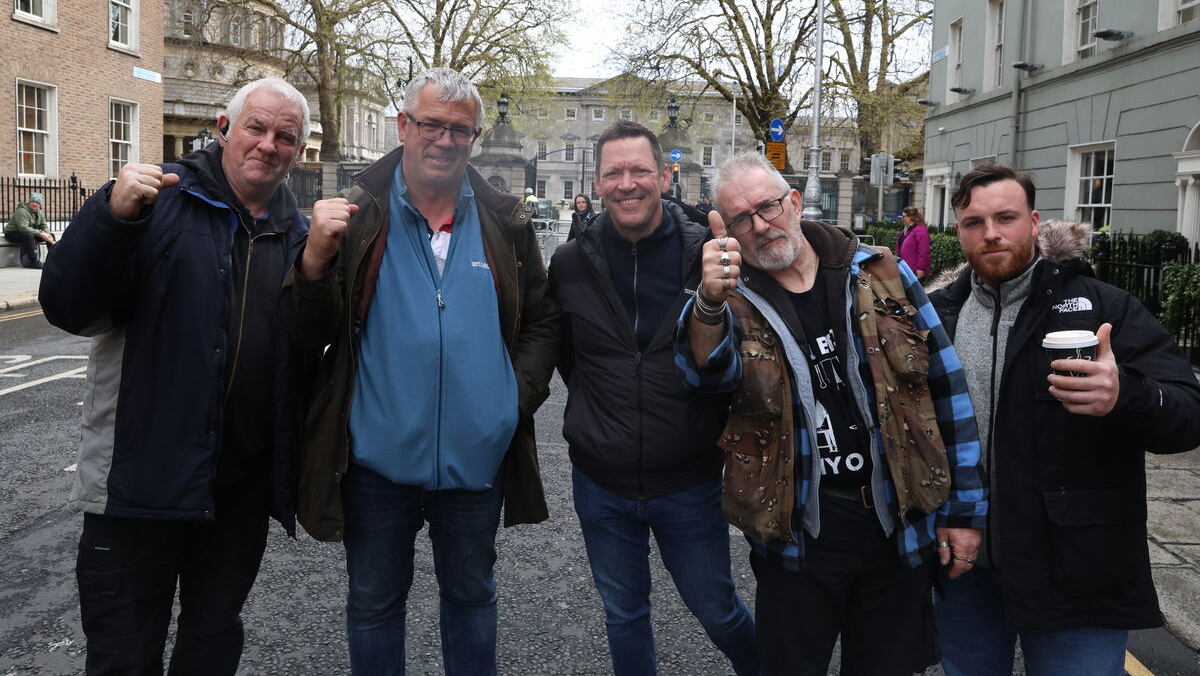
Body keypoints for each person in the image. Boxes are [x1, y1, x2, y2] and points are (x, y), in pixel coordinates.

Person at [283, 67, 558, 675]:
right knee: (376, 605)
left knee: (472, 598)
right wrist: (312, 264)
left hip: (475, 463)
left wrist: (510, 401)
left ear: (476, 138)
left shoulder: (504, 222)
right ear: (404, 126)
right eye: (431, 124)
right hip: (377, 464)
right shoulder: (356, 216)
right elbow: (309, 333)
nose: (446, 139)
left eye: (461, 130)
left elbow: (542, 321)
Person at [676, 151, 987, 676]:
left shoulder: (883, 272)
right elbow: (702, 375)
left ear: (794, 202)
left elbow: (947, 389)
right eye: (740, 220)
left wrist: (964, 512)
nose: (759, 226)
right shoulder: (731, 299)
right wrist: (709, 301)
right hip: (801, 528)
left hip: (896, 519)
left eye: (768, 207)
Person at [38, 77, 311, 674]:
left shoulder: (300, 236)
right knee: (123, 657)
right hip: (139, 485)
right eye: (256, 128)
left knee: (212, 647)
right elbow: (68, 307)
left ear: (298, 150)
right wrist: (109, 218)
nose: (268, 144)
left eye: (285, 136)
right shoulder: (155, 200)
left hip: (236, 491)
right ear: (223, 129)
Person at [927, 162, 1200, 676]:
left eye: (1005, 218)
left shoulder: (1103, 307)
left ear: (1033, 222)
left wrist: (1126, 396)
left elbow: (1188, 415)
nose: (990, 233)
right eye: (973, 222)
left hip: (1077, 568)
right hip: (966, 564)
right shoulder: (938, 313)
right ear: (958, 230)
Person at [548, 120, 759, 676]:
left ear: (665, 176)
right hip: (601, 481)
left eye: (640, 170)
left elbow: (734, 368)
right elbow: (570, 358)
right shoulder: (570, 263)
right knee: (624, 615)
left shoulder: (707, 258)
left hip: (687, 479)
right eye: (613, 172)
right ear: (595, 182)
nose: (627, 184)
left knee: (718, 611)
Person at [4, 191, 56, 268]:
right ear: (29, 202)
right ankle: (33, 261)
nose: (35, 204)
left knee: (51, 235)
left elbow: (44, 226)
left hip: (29, 232)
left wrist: (47, 234)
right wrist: (41, 234)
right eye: (33, 201)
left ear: (40, 205)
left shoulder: (40, 213)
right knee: (28, 236)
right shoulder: (21, 211)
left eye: (37, 202)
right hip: (13, 233)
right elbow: (23, 228)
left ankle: (53, 259)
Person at [896, 205, 931, 280]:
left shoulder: (921, 230)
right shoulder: (906, 230)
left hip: (914, 271)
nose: (902, 219)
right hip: (905, 269)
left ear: (911, 217)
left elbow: (924, 250)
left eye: (903, 216)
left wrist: (920, 268)